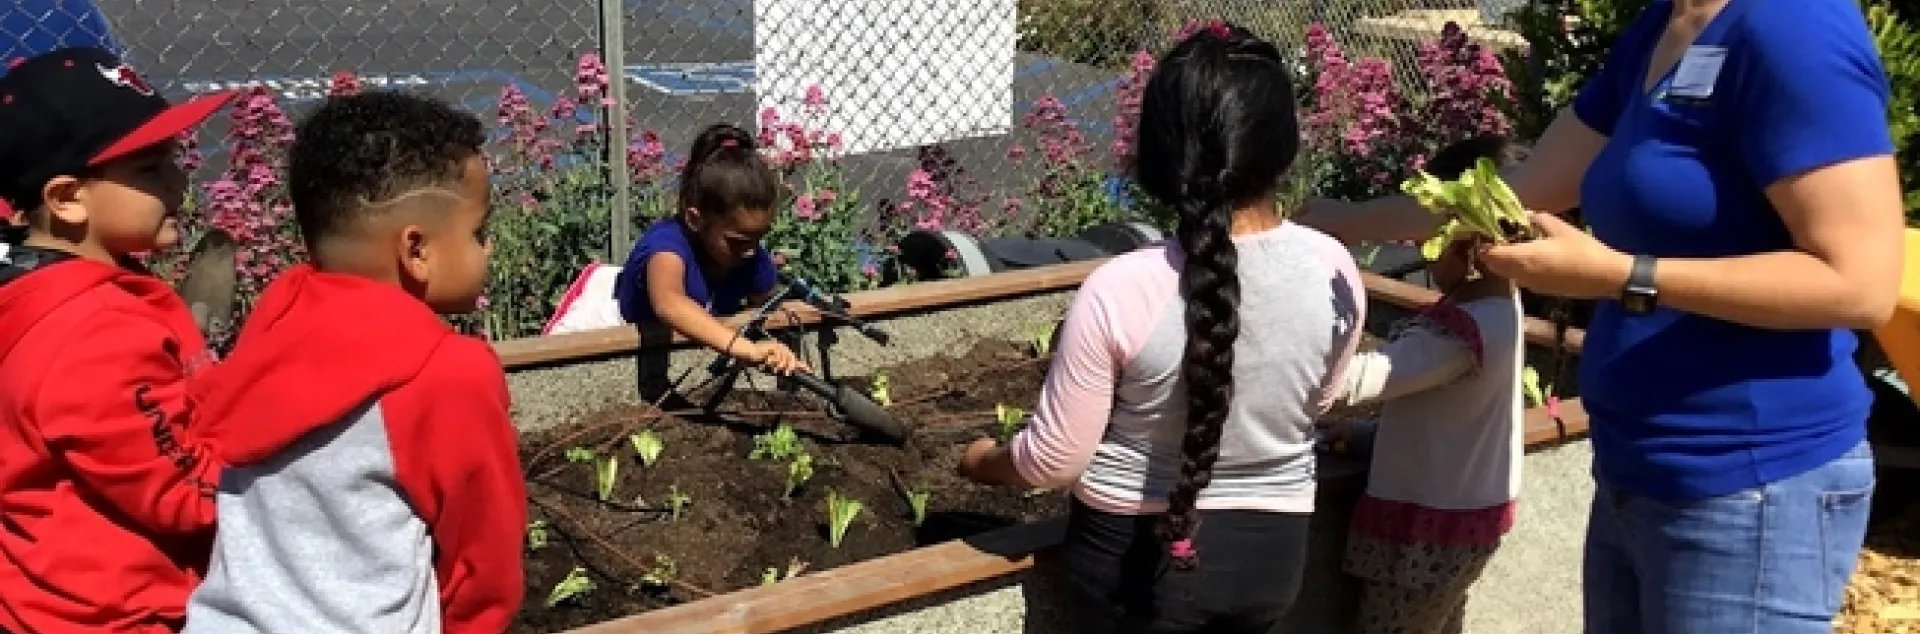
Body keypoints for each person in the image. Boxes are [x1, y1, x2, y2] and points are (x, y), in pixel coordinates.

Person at [1300, 0, 1904, 631]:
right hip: (1635, 469)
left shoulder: (1792, 26)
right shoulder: (1660, 28)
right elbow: (1519, 189)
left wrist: (1625, 276)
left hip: (1748, 483)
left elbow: (1859, 284)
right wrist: (1339, 221)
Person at [958, 21, 1367, 633]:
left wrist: (985, 460)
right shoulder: (1334, 267)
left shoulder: (1120, 288)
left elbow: (1053, 462)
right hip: (1272, 556)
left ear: (1158, 152)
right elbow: (1323, 398)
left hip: (1131, 565)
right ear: (1283, 147)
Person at [181, 91, 526, 634]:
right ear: (416, 250)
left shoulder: (279, 312)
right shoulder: (444, 372)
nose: (489, 250)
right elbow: (485, 562)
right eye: (479, 232)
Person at [0, 47, 229, 634]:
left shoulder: (39, 282)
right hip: (120, 615)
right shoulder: (95, 332)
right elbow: (182, 493)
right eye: (150, 168)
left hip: (47, 600)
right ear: (67, 198)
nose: (182, 179)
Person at [1319, 136, 1528, 634]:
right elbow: (1449, 420)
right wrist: (1368, 438)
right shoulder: (1501, 307)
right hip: (1455, 520)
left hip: (1428, 533)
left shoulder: (1464, 332)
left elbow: (1358, 382)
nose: (1424, 256)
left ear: (1470, 242)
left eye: (1429, 240)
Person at [614, 123, 806, 406]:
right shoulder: (665, 248)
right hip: (618, 324)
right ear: (695, 219)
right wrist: (747, 350)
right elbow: (669, 304)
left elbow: (761, 311)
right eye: (738, 241)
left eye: (759, 238)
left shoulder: (748, 256)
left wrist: (774, 347)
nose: (752, 251)